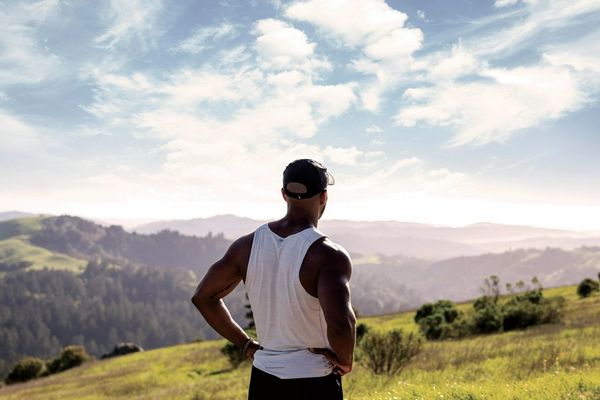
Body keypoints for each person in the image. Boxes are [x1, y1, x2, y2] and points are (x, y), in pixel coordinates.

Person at [191, 159, 356, 400]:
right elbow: (342, 324)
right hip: (313, 379)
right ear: (323, 197)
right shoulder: (328, 254)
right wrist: (345, 360)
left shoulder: (246, 246)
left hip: (264, 379)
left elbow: (203, 297)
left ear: (283, 194)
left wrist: (246, 344)